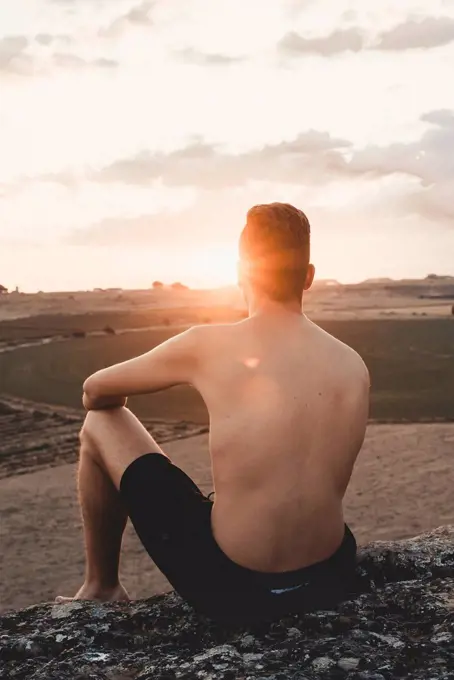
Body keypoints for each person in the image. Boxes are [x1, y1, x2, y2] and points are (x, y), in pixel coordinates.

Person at [56, 203, 370, 623]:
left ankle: (102, 587)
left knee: (102, 422)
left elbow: (94, 392)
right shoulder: (353, 365)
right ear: (308, 276)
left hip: (234, 588)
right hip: (330, 576)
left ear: (241, 273)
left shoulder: (206, 344)